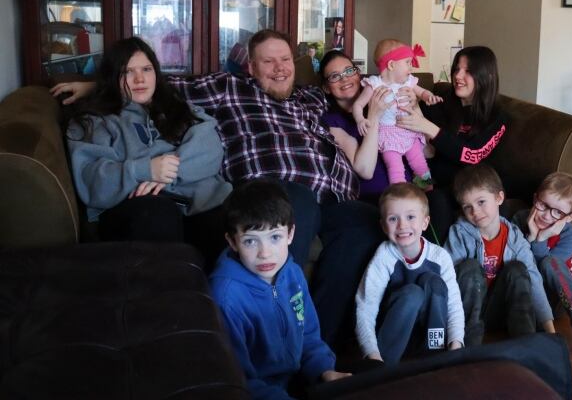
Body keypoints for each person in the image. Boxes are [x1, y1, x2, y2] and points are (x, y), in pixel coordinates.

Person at [51, 30, 383, 349]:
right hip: (277, 191)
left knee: (367, 223)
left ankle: (314, 345)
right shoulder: (228, 87)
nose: (280, 68)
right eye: (269, 62)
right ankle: (274, 326)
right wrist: (97, 86)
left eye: (286, 59)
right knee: (290, 201)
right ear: (251, 67)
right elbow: (161, 85)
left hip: (335, 195)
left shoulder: (310, 96)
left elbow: (356, 83)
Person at [65, 37, 231, 265]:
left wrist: (171, 170)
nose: (140, 79)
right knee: (157, 213)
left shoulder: (177, 107)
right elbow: (92, 180)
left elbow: (210, 147)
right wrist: (145, 170)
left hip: (196, 203)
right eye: (127, 72)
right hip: (139, 211)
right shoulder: (94, 121)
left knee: (231, 219)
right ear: (113, 77)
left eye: (146, 69)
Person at [210, 180, 350, 399]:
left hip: (296, 379)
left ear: (290, 234)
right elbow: (237, 379)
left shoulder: (291, 272)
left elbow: (308, 335)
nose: (265, 253)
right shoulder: (226, 298)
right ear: (232, 242)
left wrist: (325, 370)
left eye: (275, 237)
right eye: (250, 242)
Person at [396, 46, 508, 242]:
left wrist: (429, 128)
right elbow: (417, 137)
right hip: (425, 176)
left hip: (462, 186)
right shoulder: (442, 102)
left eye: (467, 71)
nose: (458, 75)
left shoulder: (497, 116)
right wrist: (415, 107)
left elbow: (473, 155)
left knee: (436, 200)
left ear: (487, 76)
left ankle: (433, 263)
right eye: (457, 69)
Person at [445, 164, 554, 347]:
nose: (475, 212)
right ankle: (469, 350)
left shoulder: (515, 237)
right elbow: (447, 279)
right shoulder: (459, 233)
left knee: (518, 269)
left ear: (499, 198)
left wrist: (551, 331)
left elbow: (533, 278)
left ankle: (527, 345)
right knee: (469, 267)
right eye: (467, 207)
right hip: (469, 313)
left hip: (503, 309)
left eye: (481, 202)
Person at [355, 183, 464, 364]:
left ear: (425, 222)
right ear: (383, 226)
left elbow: (454, 305)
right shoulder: (385, 255)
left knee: (433, 281)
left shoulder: (440, 257)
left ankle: (435, 355)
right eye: (393, 219)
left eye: (410, 217)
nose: (402, 225)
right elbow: (366, 306)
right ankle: (387, 366)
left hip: (428, 339)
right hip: (391, 340)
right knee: (413, 293)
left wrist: (456, 344)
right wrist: (372, 355)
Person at [512, 172, 572, 357]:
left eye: (558, 212)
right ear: (535, 198)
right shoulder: (520, 220)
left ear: (569, 217)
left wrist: (540, 239)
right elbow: (520, 264)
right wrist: (530, 235)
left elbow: (543, 269)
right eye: (543, 205)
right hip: (526, 292)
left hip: (558, 296)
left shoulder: (570, 236)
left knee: (550, 262)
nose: (546, 216)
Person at [352, 39, 442, 187]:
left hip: (409, 131)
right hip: (388, 136)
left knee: (419, 164)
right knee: (395, 169)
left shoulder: (408, 82)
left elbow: (422, 92)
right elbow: (358, 104)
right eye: (408, 62)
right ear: (391, 65)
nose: (411, 68)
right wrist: (360, 119)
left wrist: (429, 97)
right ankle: (400, 195)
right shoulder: (374, 84)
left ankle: (425, 189)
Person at [320, 50, 395, 203]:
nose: (345, 79)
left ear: (358, 75)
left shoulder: (382, 97)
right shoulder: (332, 121)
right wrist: (374, 117)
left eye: (349, 71)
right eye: (335, 76)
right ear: (326, 87)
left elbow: (427, 152)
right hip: (375, 199)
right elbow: (365, 170)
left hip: (410, 191)